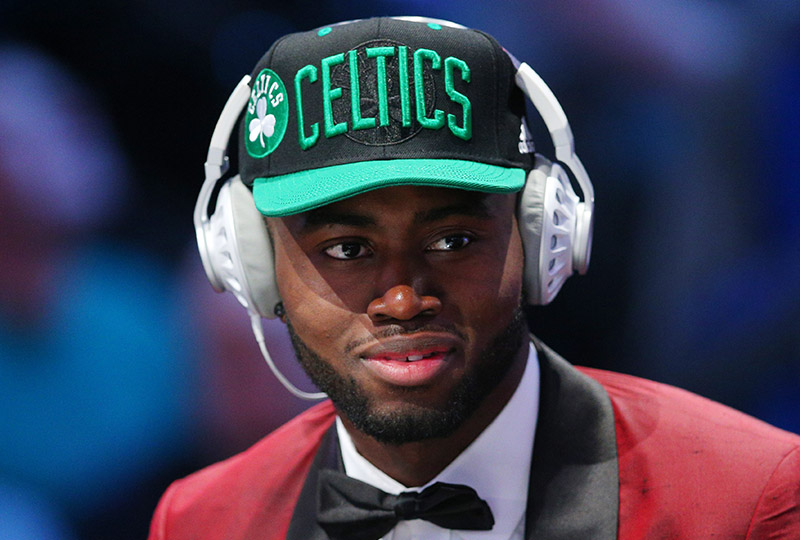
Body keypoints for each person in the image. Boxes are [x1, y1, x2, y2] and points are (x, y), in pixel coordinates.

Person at [149, 16, 800, 539]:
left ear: (545, 238)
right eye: (347, 249)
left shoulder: (748, 497)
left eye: (453, 240)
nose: (403, 299)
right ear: (252, 271)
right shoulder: (203, 519)